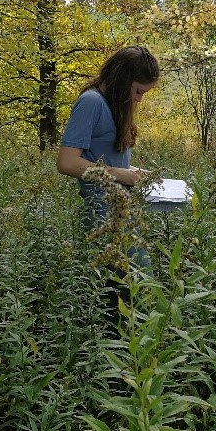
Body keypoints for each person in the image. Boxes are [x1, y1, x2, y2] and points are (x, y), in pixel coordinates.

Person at [57, 45, 160, 327]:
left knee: (136, 291)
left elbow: (108, 159)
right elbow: (67, 162)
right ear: (123, 80)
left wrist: (134, 173)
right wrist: (118, 174)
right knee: (128, 291)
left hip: (123, 211)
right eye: (138, 91)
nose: (139, 99)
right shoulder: (91, 102)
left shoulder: (115, 105)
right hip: (102, 214)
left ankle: (132, 356)